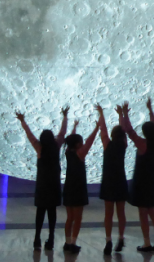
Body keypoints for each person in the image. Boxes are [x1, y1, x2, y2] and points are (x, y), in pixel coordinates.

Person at [16, 106, 69, 251]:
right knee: (52, 213)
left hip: (42, 186)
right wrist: (65, 116)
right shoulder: (56, 146)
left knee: (40, 213)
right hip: (54, 186)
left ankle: (37, 238)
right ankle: (51, 238)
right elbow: (63, 132)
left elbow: (29, 135)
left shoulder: (39, 148)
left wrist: (23, 121)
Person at [119, 98, 154, 252]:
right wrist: (150, 110)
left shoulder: (142, 143)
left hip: (141, 181)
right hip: (153, 180)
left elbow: (128, 130)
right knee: (152, 211)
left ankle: (147, 242)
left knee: (143, 213)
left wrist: (125, 113)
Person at [62, 117, 100, 254]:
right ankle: (73, 243)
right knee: (78, 218)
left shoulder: (68, 152)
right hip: (78, 188)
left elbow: (70, 140)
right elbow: (90, 142)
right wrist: (97, 128)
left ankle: (67, 242)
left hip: (68, 187)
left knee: (70, 217)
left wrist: (74, 127)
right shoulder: (80, 153)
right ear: (78, 144)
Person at [96, 103, 128, 255]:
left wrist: (101, 113)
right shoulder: (123, 145)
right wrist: (121, 115)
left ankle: (108, 240)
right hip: (120, 180)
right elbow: (123, 130)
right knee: (121, 212)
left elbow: (103, 129)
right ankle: (121, 238)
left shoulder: (107, 144)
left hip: (108, 181)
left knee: (108, 213)